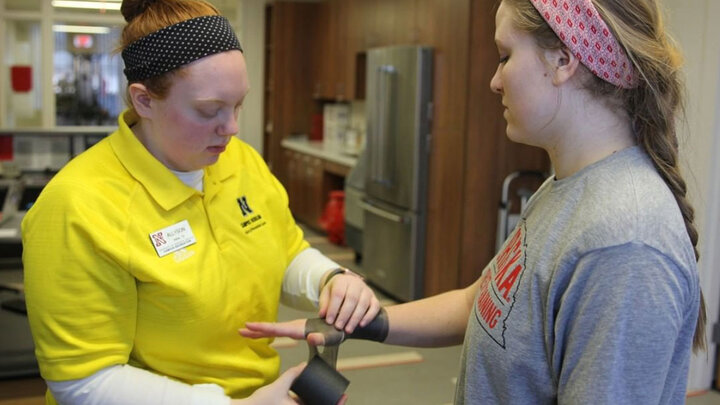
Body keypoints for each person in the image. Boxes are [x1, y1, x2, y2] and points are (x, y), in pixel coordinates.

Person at [241, 0, 708, 403]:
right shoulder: (565, 188)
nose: (494, 80)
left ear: (564, 59)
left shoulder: (624, 243)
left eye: (505, 56)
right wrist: (360, 324)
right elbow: (481, 305)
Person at [21, 0, 378, 404]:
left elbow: (285, 251)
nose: (232, 128)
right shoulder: (77, 205)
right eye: (209, 111)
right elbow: (84, 381)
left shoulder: (237, 159)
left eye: (238, 104)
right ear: (143, 101)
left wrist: (329, 280)